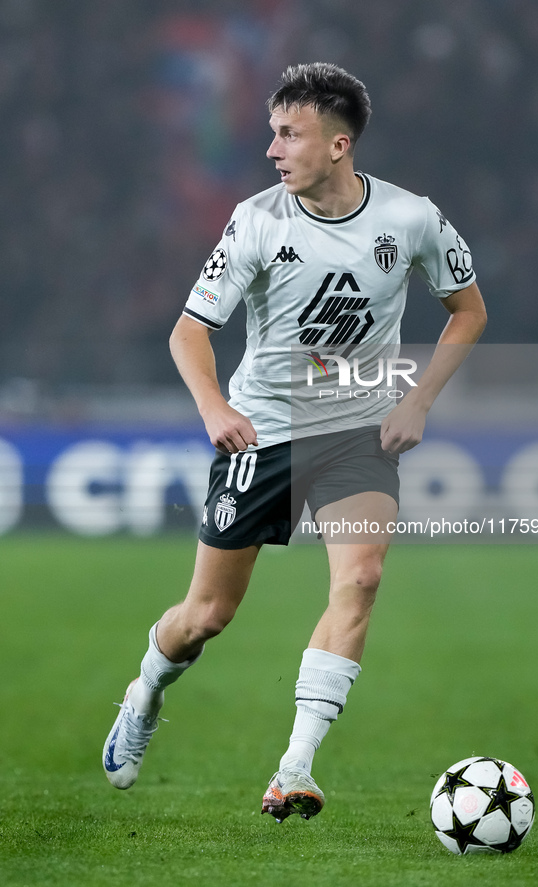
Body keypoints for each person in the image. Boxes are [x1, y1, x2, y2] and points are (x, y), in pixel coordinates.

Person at [102, 62, 487, 822]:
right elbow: (189, 333)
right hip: (263, 430)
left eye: (289, 134)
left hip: (356, 432)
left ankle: (294, 768)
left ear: (338, 144)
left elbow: (467, 310)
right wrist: (213, 407)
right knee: (206, 615)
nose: (273, 150)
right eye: (272, 133)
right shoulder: (256, 221)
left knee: (362, 578)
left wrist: (417, 401)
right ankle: (145, 687)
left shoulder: (410, 219)